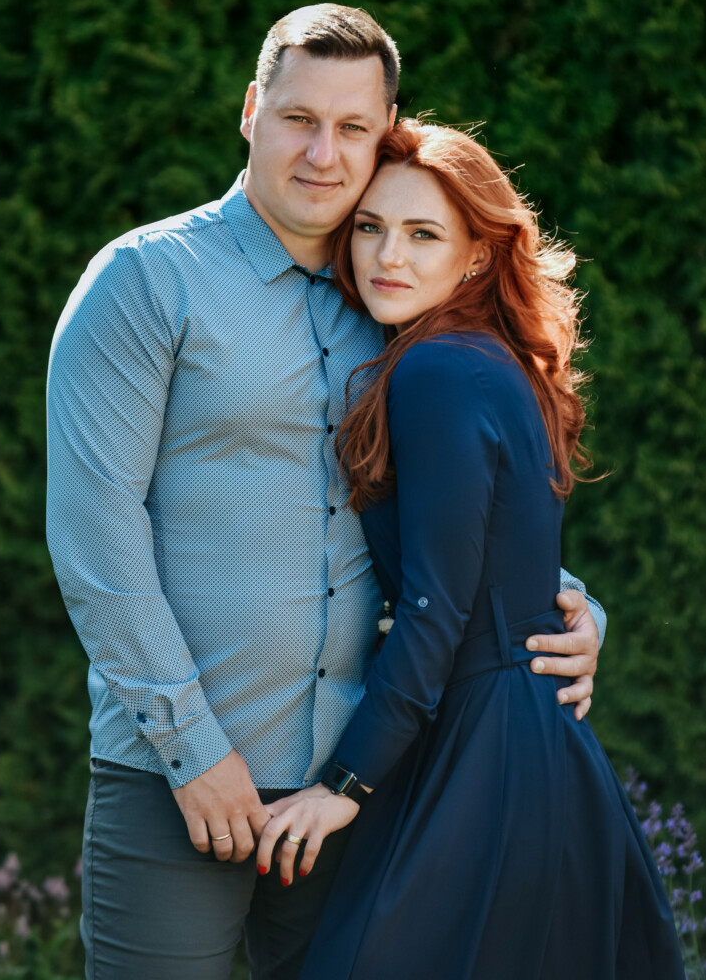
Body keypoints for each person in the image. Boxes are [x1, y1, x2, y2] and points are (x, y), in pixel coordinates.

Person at [46, 5, 606, 980]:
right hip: (180, 779)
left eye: (352, 128)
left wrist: (568, 607)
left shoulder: (393, 297)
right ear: (251, 110)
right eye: (299, 118)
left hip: (359, 789)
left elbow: (458, 515)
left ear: (383, 134)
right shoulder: (146, 281)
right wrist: (194, 750)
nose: (322, 152)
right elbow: (97, 539)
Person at [255, 119, 684, 979]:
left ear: (477, 256)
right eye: (370, 227)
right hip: (521, 737)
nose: (387, 257)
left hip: (482, 748)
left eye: (423, 235)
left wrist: (341, 787)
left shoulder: (436, 371)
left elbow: (435, 608)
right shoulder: (486, 361)